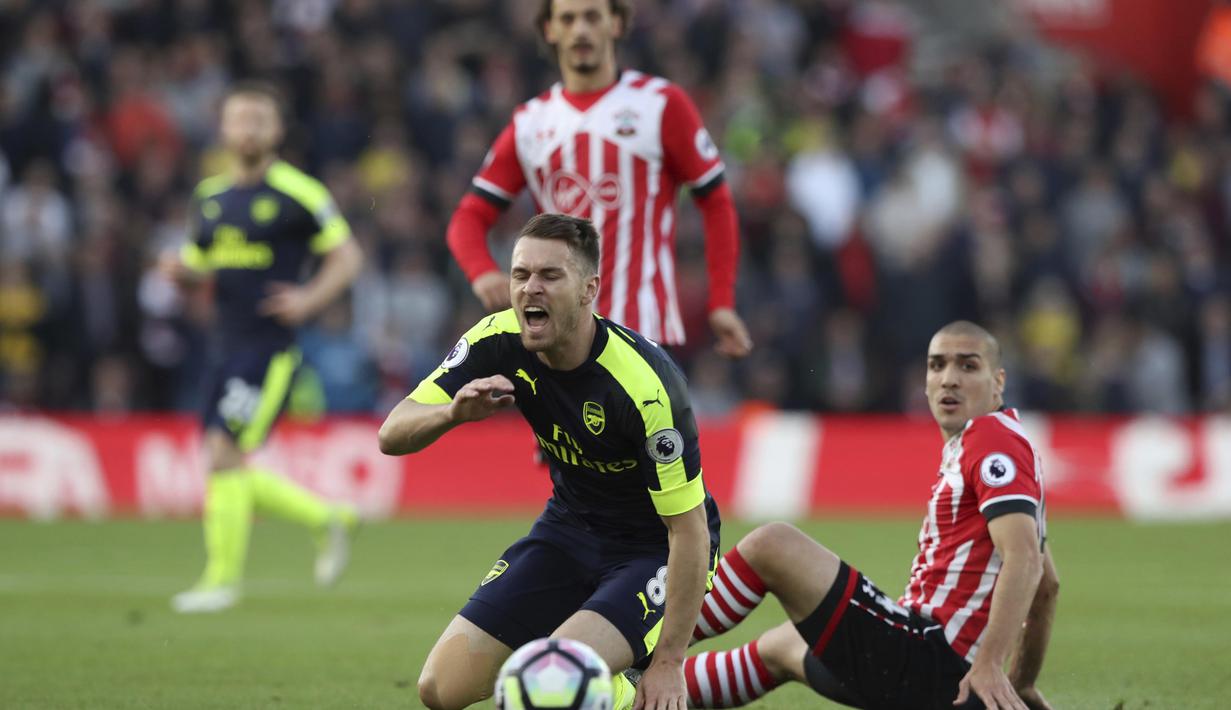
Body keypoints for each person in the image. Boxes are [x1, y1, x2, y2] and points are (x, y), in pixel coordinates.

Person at [379, 213, 719, 710]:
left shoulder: (647, 388)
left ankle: (634, 689)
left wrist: (668, 665)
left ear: (588, 289)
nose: (529, 289)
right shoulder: (495, 339)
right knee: (439, 690)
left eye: (550, 276)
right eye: (520, 275)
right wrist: (451, 414)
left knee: (549, 685)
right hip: (568, 529)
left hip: (652, 548)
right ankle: (607, 686)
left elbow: (688, 531)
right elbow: (392, 433)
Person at [675, 321, 1059, 710]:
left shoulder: (991, 439)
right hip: (935, 672)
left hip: (932, 664)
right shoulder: (1003, 441)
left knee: (772, 545)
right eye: (937, 365)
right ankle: (639, 699)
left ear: (998, 382)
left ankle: (649, 645)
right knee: (783, 646)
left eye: (967, 366)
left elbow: (1024, 558)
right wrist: (1021, 684)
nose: (949, 379)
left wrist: (992, 665)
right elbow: (1046, 584)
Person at [446, 0, 752, 357]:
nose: (580, 30)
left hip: (644, 335)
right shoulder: (531, 122)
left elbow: (716, 201)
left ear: (617, 24)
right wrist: (483, 272)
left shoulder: (661, 105)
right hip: (560, 342)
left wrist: (721, 302)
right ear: (550, 29)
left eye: (592, 16)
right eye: (569, 18)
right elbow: (468, 217)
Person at [162, 81, 365, 614]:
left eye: (259, 119)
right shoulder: (209, 198)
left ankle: (221, 581)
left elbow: (347, 257)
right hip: (222, 345)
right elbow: (199, 263)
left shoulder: (301, 194)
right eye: (239, 118)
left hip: (268, 348)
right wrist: (181, 273)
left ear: (276, 131)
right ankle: (327, 518)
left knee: (224, 453)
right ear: (224, 128)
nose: (248, 128)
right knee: (220, 459)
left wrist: (308, 299)